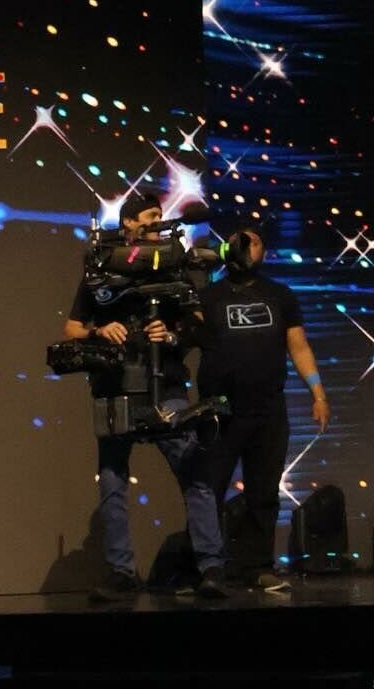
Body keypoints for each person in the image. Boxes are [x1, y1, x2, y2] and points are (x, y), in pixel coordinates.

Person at [61, 191, 229, 602]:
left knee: (193, 473)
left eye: (160, 215)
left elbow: (200, 327)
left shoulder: (173, 266)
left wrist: (171, 334)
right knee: (112, 481)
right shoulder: (101, 268)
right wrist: (101, 330)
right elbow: (72, 328)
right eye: (151, 216)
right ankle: (121, 572)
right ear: (130, 222)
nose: (157, 222)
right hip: (114, 388)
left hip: (166, 387)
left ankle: (211, 566)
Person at [191, 220, 330, 589]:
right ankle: (207, 568)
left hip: (268, 408)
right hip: (220, 410)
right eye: (238, 241)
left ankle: (257, 566)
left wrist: (318, 393)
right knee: (208, 489)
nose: (244, 247)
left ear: (263, 252)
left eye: (251, 242)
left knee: (264, 491)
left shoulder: (280, 295)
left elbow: (298, 346)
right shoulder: (208, 297)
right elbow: (184, 337)